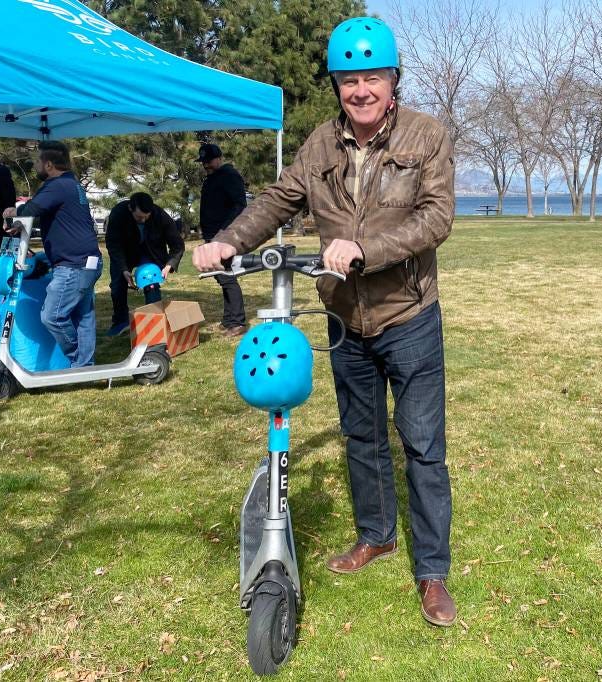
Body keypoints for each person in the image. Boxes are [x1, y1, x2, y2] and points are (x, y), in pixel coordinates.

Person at [194, 16, 457, 627]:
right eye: (348, 80)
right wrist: (229, 241)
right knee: (360, 438)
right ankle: (376, 535)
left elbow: (437, 217)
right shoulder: (320, 143)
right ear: (336, 84)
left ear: (393, 79)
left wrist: (367, 249)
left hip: (408, 314)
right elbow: (278, 200)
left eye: (372, 77)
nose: (360, 90)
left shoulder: (427, 136)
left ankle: (433, 571)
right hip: (345, 318)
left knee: (421, 446)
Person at [2, 141, 102, 368]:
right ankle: (85, 366)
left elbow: (31, 211)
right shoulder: (71, 184)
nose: (35, 166)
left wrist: (13, 212)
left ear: (48, 165)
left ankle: (79, 360)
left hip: (74, 264)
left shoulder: (56, 185)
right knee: (83, 316)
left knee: (53, 316)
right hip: (86, 261)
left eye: (37, 161)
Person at [104, 191, 185, 336]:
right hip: (125, 252)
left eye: (147, 217)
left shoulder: (159, 215)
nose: (144, 220)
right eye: (139, 217)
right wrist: (123, 269)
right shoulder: (118, 213)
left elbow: (177, 244)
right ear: (130, 208)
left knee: (151, 279)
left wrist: (169, 264)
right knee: (117, 285)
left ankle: (155, 320)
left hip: (149, 252)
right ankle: (120, 321)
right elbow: (113, 244)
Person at [197, 143, 248, 337]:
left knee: (226, 276)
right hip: (212, 235)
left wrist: (224, 230)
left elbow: (239, 205)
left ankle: (237, 322)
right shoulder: (211, 179)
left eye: (208, 161)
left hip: (223, 236)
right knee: (221, 276)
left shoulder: (229, 176)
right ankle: (229, 319)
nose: (206, 166)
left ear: (219, 158)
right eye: (203, 162)